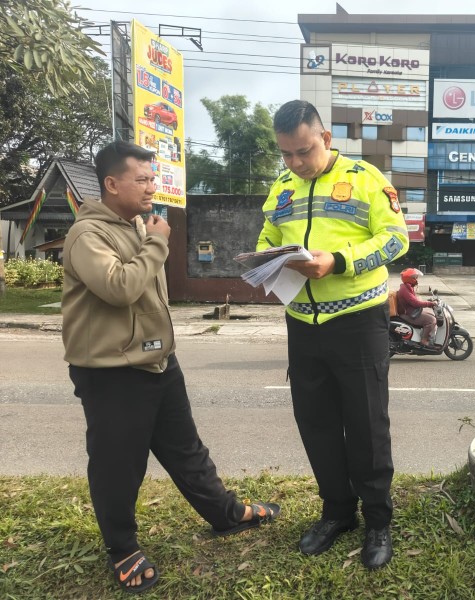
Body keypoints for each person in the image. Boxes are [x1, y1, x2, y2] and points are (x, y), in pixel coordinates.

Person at [62, 140, 280, 595]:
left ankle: (225, 514)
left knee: (186, 450)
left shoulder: (136, 226)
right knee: (118, 466)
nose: (149, 187)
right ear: (111, 183)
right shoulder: (89, 235)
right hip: (113, 371)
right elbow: (120, 288)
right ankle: (121, 549)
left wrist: (150, 239)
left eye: (152, 178)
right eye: (140, 179)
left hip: (158, 360)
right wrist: (158, 243)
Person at [255, 100, 409, 570]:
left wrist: (336, 261)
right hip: (302, 323)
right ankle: (336, 512)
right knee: (316, 423)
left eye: (303, 151)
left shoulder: (366, 179)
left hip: (358, 320)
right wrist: (267, 263)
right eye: (286, 155)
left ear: (324, 137)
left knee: (366, 424)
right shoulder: (282, 187)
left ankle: (377, 520)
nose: (296, 164)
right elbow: (266, 237)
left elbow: (395, 239)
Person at [396, 267, 437, 347]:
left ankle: (428, 336)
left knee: (432, 315)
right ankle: (424, 340)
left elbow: (414, 300)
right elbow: (415, 303)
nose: (416, 279)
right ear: (409, 278)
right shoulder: (405, 290)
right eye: (415, 277)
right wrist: (429, 304)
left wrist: (428, 301)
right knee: (431, 320)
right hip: (408, 314)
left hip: (412, 311)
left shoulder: (407, 287)